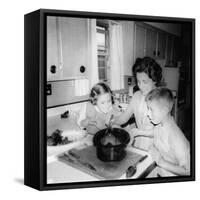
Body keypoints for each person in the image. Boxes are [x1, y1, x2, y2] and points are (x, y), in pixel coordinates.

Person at [112, 57, 163, 150]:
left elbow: (162, 131)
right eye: (138, 81)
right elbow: (124, 117)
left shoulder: (161, 99)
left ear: (154, 79)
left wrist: (139, 132)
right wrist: (112, 122)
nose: (141, 86)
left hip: (157, 145)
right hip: (139, 143)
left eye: (145, 82)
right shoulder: (136, 96)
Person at [145, 87, 190, 176]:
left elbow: (189, 171)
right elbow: (155, 134)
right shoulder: (159, 125)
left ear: (165, 110)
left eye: (151, 109)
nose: (147, 113)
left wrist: (161, 161)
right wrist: (138, 132)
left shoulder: (176, 138)